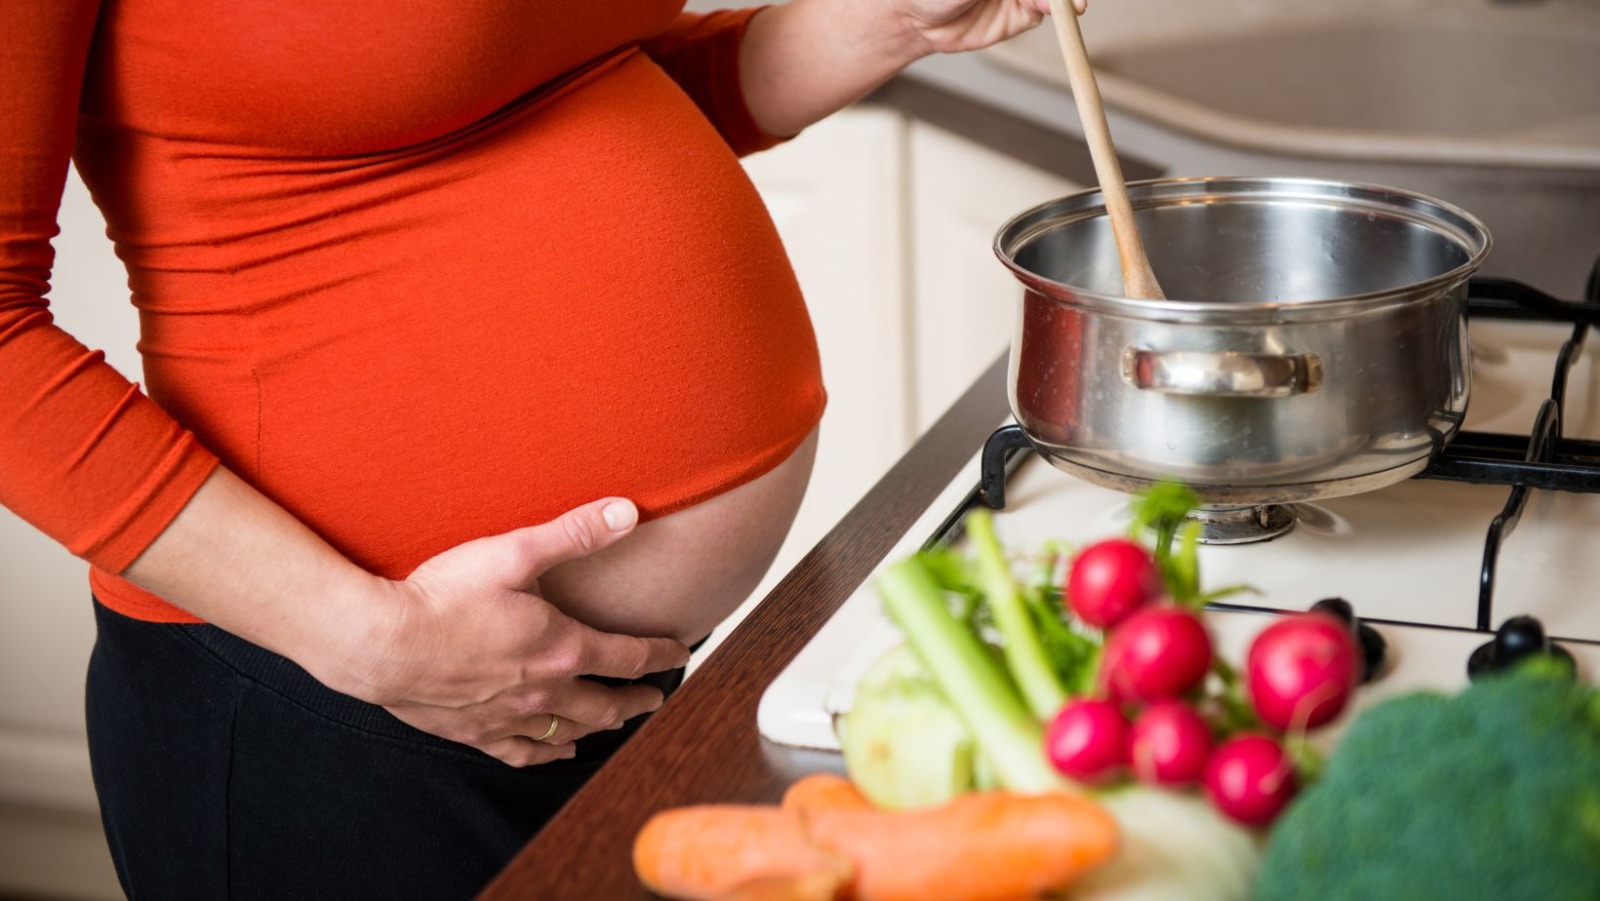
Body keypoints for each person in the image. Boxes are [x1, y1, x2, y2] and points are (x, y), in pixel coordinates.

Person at [3, 0, 1083, 897]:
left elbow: (573, 82)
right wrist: (373, 636)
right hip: (334, 696)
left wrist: (880, 22)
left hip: (602, 689)